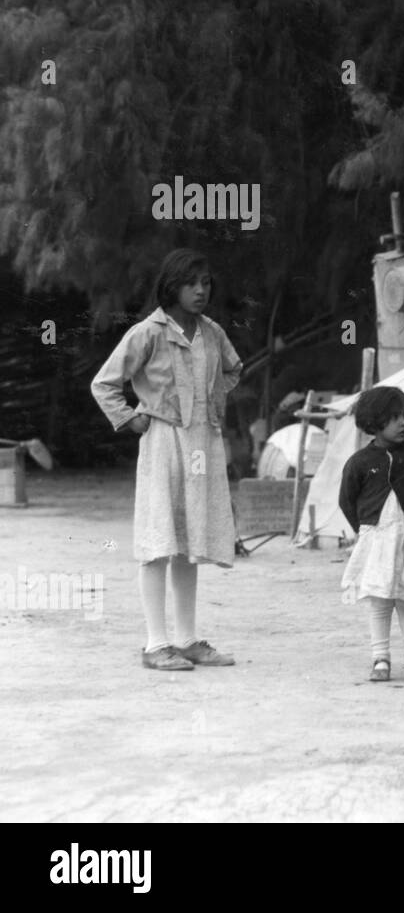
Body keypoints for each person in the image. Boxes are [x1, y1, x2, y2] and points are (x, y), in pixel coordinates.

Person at [91, 248, 243, 671]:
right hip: (161, 441)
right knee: (159, 538)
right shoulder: (149, 332)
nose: (200, 291)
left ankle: (187, 639)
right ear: (172, 286)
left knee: (189, 541)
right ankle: (156, 644)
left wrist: (210, 401)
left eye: (206, 283)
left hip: (202, 443)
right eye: (191, 283)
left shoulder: (211, 332)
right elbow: (104, 383)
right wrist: (130, 418)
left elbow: (233, 369)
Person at [338, 386, 404, 683]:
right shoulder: (359, 462)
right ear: (374, 422)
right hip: (377, 541)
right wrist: (366, 530)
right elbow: (347, 501)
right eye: (394, 417)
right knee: (380, 602)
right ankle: (380, 660)